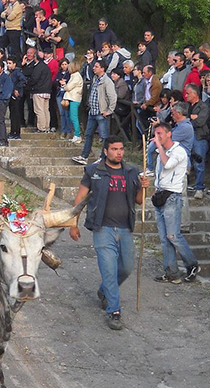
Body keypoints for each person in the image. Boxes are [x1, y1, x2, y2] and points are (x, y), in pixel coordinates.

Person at [70, 137, 149, 330]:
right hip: (103, 228)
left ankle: (104, 290)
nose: (119, 152)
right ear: (106, 151)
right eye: (114, 149)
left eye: (121, 149)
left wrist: (144, 187)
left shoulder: (131, 172)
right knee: (109, 269)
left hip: (125, 228)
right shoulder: (94, 171)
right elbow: (80, 198)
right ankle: (114, 311)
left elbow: (139, 200)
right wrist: (73, 223)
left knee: (127, 268)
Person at [151, 123, 200, 284]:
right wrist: (156, 188)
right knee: (164, 238)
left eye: (160, 133)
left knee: (173, 235)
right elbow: (160, 172)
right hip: (161, 194)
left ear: (169, 134)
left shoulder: (179, 151)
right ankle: (171, 271)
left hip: (173, 196)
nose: (157, 136)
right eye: (155, 134)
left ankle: (192, 264)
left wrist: (158, 146)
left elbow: (168, 164)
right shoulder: (161, 153)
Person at [72, 60, 117, 165]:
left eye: (96, 66)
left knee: (104, 136)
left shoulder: (107, 81)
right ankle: (84, 156)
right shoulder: (95, 78)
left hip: (101, 113)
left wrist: (109, 111)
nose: (94, 68)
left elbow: (113, 97)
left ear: (102, 68)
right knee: (88, 134)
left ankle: (103, 158)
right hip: (92, 112)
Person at [185, 84, 210, 199]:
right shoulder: (186, 106)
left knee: (199, 163)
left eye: (188, 93)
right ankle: (187, 185)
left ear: (195, 94)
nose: (186, 95)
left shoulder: (203, 107)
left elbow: (200, 121)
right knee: (186, 161)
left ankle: (199, 188)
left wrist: (188, 120)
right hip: (188, 136)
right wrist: (191, 117)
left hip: (199, 136)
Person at [64, 60, 84, 143]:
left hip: (74, 99)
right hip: (72, 98)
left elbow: (68, 87)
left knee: (74, 117)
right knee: (72, 117)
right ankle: (76, 134)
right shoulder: (74, 76)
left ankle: (78, 135)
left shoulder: (76, 76)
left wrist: (64, 84)